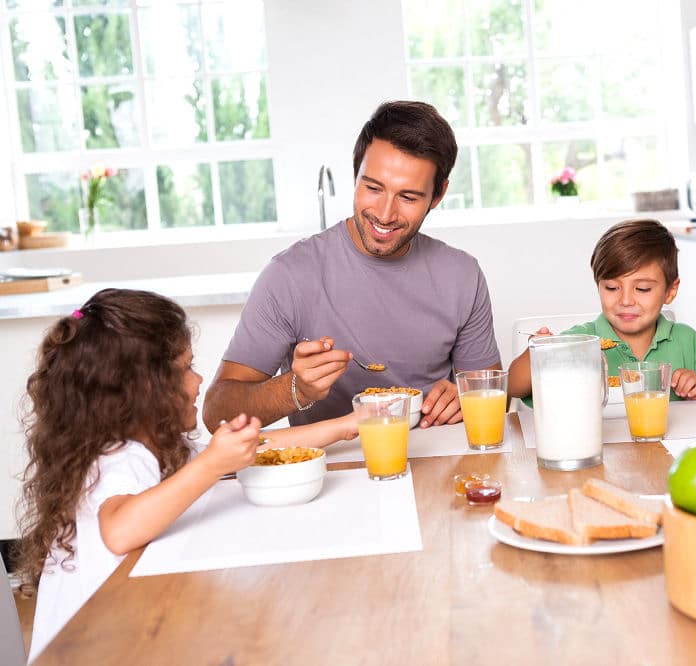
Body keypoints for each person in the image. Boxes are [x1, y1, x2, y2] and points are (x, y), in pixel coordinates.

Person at [16, 289, 359, 661]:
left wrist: (347, 425)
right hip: (96, 647)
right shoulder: (117, 455)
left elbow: (258, 442)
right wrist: (211, 465)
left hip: (132, 628)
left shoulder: (159, 445)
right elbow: (118, 531)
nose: (198, 381)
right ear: (144, 388)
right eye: (186, 369)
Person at [203, 100, 502, 432]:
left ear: (438, 195)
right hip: (334, 469)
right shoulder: (289, 276)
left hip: (436, 462)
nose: (385, 215)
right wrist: (296, 389)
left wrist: (466, 396)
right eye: (373, 188)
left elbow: (489, 392)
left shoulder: (462, 276)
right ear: (355, 174)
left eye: (408, 197)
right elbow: (217, 414)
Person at [508, 218, 696, 402]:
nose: (625, 300)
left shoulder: (688, 343)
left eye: (642, 288)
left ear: (670, 291)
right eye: (612, 287)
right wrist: (537, 354)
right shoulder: (579, 344)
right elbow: (512, 388)